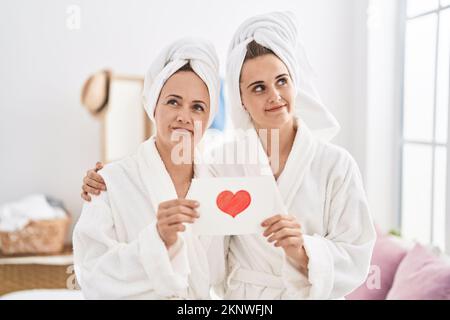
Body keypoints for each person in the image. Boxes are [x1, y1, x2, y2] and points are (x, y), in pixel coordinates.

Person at [81, 12, 376, 300]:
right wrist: (108, 180)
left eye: (282, 81)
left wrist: (304, 251)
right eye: (258, 88)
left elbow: (357, 251)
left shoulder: (336, 165)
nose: (273, 95)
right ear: (241, 100)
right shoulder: (221, 166)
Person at [73, 37, 225, 299]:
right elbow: (91, 273)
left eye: (197, 107)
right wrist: (157, 241)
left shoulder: (218, 186)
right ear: (153, 106)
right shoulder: (110, 182)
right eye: (173, 102)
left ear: (208, 118)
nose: (184, 116)